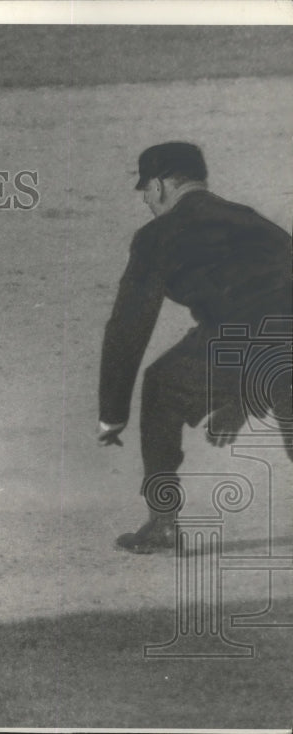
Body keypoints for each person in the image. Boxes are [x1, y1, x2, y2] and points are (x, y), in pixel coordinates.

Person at [98, 141, 293, 553]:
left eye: (146, 190)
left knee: (162, 386)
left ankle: (163, 523)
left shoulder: (156, 237)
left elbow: (128, 329)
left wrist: (111, 415)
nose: (147, 201)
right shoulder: (252, 221)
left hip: (237, 344)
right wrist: (244, 401)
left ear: (161, 185)